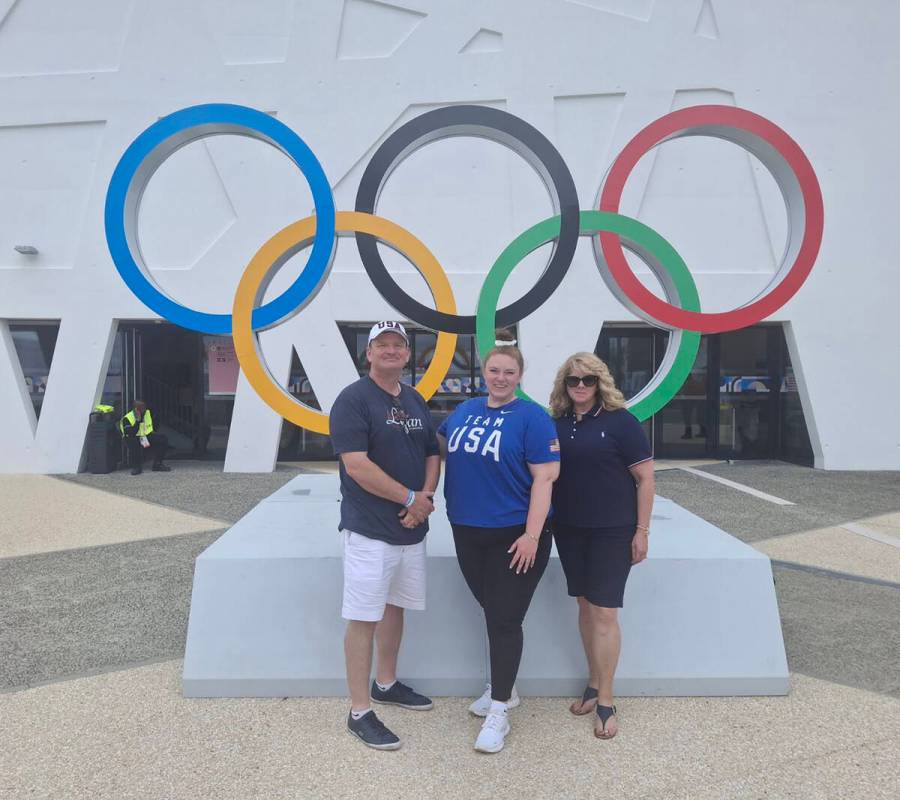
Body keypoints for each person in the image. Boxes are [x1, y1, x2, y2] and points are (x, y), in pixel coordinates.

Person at [437, 330, 560, 753]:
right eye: (494, 370)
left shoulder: (532, 417)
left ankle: (500, 710)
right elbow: (434, 450)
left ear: (520, 376)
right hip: (467, 530)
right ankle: (503, 687)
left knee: (505, 620)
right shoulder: (465, 410)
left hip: (515, 535)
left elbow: (545, 478)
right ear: (484, 372)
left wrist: (532, 534)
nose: (501, 377)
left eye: (509, 372)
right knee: (492, 611)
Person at [329, 320, 441, 750]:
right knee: (364, 617)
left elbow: (432, 451)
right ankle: (359, 710)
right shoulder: (353, 400)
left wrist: (425, 497)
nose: (391, 350)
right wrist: (411, 497)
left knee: (396, 608)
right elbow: (356, 465)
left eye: (399, 345)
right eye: (382, 344)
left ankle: (386, 683)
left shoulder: (414, 399)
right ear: (369, 353)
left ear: (408, 355)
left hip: (411, 529)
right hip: (370, 530)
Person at [548, 353, 654, 739]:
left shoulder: (621, 422)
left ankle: (606, 700)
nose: (580, 386)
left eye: (588, 380)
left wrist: (641, 531)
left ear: (600, 383)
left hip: (612, 530)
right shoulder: (555, 424)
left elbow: (645, 479)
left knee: (605, 613)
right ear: (564, 384)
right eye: (573, 380)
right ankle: (593, 683)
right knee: (584, 605)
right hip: (570, 528)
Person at [118, 400, 170, 475]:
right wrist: (138, 421)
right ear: (136, 409)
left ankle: (157, 465)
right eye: (142, 408)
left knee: (162, 439)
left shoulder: (147, 413)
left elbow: (151, 425)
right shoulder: (127, 418)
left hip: (144, 437)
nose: (144, 409)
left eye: (144, 407)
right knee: (134, 443)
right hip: (131, 437)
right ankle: (136, 467)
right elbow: (130, 433)